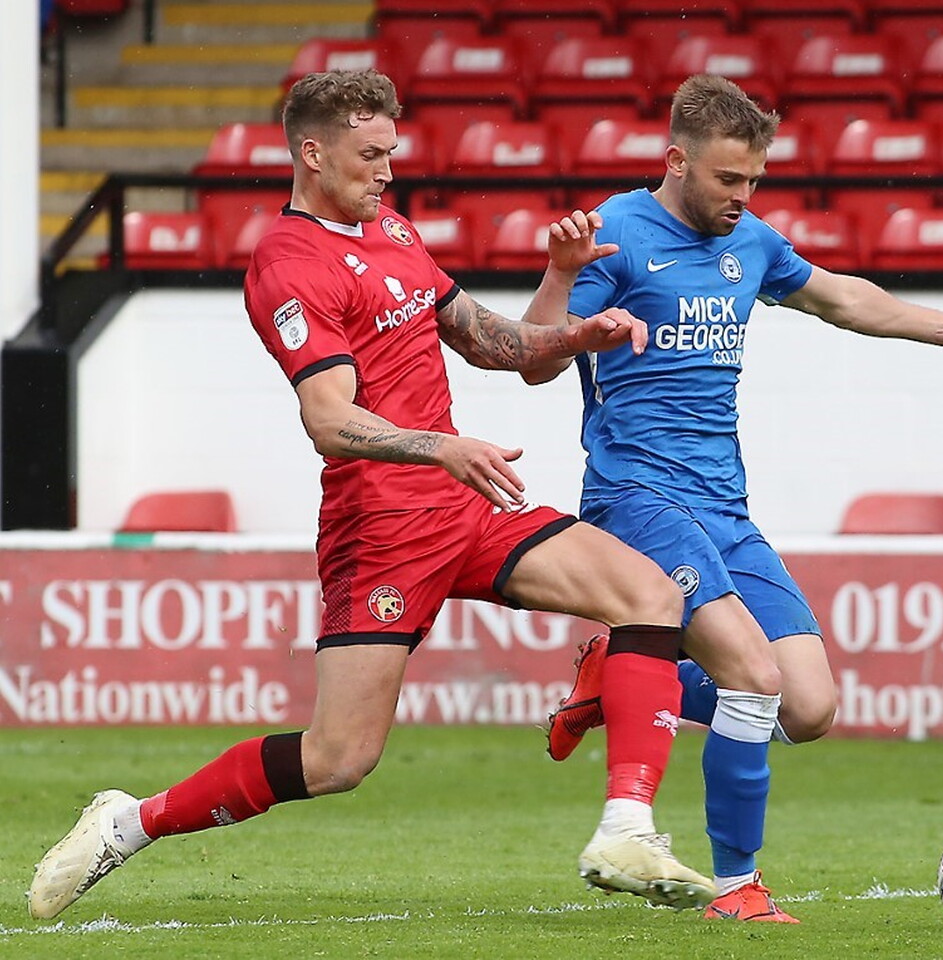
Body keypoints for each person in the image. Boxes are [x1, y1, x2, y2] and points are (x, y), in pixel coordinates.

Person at [26, 69, 716, 921]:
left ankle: (627, 830)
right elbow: (328, 418)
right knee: (338, 759)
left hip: (466, 506)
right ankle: (130, 823)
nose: (388, 171)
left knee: (649, 595)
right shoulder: (287, 264)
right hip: (380, 525)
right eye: (371, 154)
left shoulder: (392, 230)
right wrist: (440, 446)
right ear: (314, 153)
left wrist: (576, 332)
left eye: (392, 152)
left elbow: (486, 339)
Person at [530, 74, 943, 923]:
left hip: (724, 506)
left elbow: (839, 297)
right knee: (752, 676)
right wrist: (561, 277)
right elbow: (535, 356)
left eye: (753, 179)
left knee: (810, 707)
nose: (742, 196)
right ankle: (738, 887)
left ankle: (622, 678)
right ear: (677, 161)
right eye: (727, 178)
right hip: (638, 497)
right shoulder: (618, 233)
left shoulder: (747, 240)